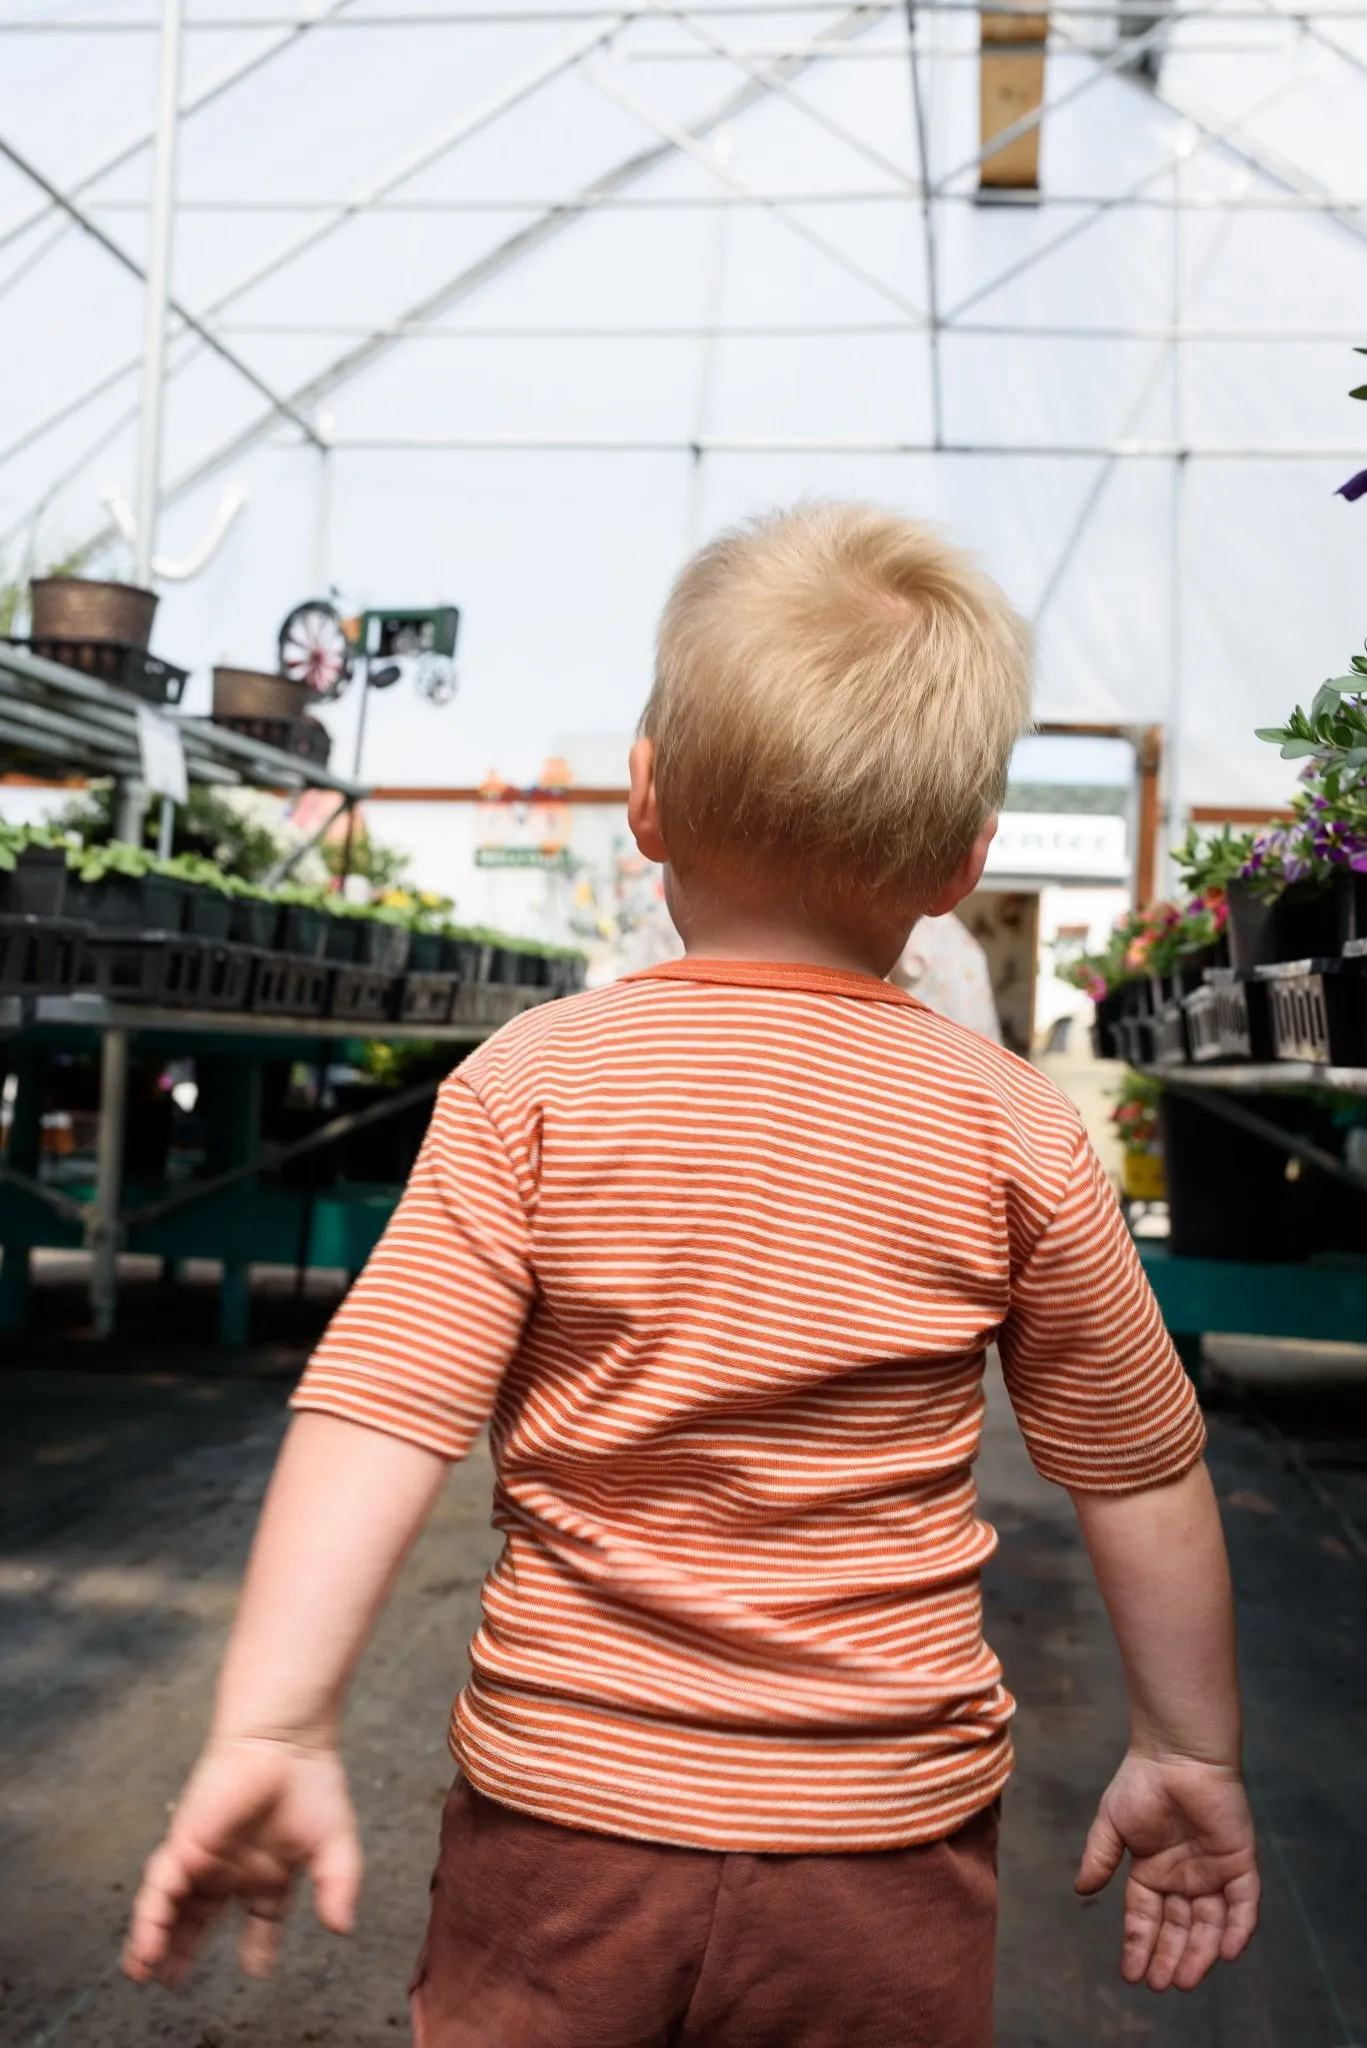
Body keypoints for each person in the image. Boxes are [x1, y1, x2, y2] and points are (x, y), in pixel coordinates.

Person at [124, 506, 1259, 2046]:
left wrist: (272, 1719)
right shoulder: (1013, 1128)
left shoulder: (532, 1087)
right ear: (959, 861)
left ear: (643, 802)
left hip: (566, 1823)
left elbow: (378, 1414)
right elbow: (1139, 1470)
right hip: (882, 1848)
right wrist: (1187, 1750)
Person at [891, 909, 1002, 1041]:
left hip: (933, 1030)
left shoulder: (926, 923)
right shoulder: (951, 930)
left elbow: (909, 970)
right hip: (962, 1034)